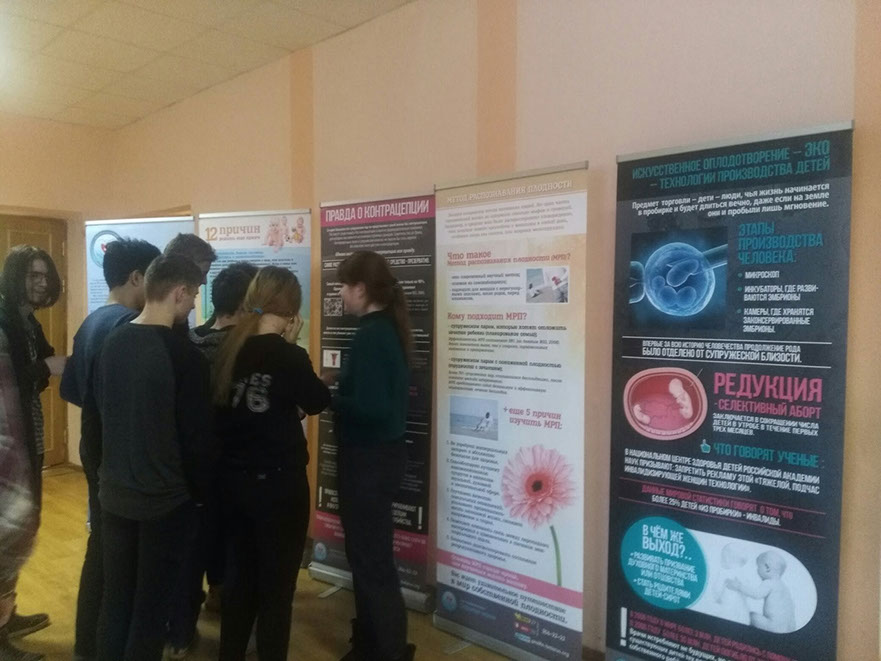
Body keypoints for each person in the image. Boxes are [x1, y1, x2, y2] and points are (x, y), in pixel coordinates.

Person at [94, 254, 214, 661]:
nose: (193, 304)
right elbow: (196, 441)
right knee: (150, 610)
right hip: (164, 504)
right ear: (179, 292)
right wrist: (201, 496)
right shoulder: (185, 357)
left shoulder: (113, 342)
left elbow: (102, 413)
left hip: (113, 496)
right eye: (193, 295)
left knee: (116, 601)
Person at [212, 266, 329, 661]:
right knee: (277, 591)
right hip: (278, 488)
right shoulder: (288, 355)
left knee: (239, 583)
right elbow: (317, 400)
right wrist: (293, 348)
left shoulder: (230, 348)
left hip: (233, 484)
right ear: (292, 310)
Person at [61, 238, 161, 661]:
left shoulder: (91, 322)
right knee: (118, 559)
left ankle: (87, 643)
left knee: (100, 547)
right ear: (137, 277)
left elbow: (72, 389)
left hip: (93, 444)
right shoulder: (126, 325)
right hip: (116, 453)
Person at [166, 261, 258, 659]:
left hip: (194, 463)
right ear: (246, 303)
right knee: (236, 547)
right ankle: (230, 621)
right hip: (234, 464)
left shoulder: (191, 340)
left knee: (194, 548)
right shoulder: (248, 350)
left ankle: (181, 631)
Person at [330, 251, 415, 661]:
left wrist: (329, 396)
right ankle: (371, 645)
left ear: (361, 289)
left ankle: (387, 650)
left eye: (344, 287)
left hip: (367, 462)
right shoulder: (383, 329)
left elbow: (372, 408)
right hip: (381, 459)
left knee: (370, 561)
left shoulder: (370, 335)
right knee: (369, 557)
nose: (341, 295)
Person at [0, 245, 65, 661]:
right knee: (4, 535)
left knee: (20, 529)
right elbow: (19, 377)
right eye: (32, 275)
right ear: (15, 276)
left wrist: (44, 368)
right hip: (6, 443)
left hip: (28, 435)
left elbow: (39, 367)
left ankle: (8, 616)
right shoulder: (3, 319)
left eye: (45, 275)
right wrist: (46, 368)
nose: (41, 283)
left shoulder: (26, 320)